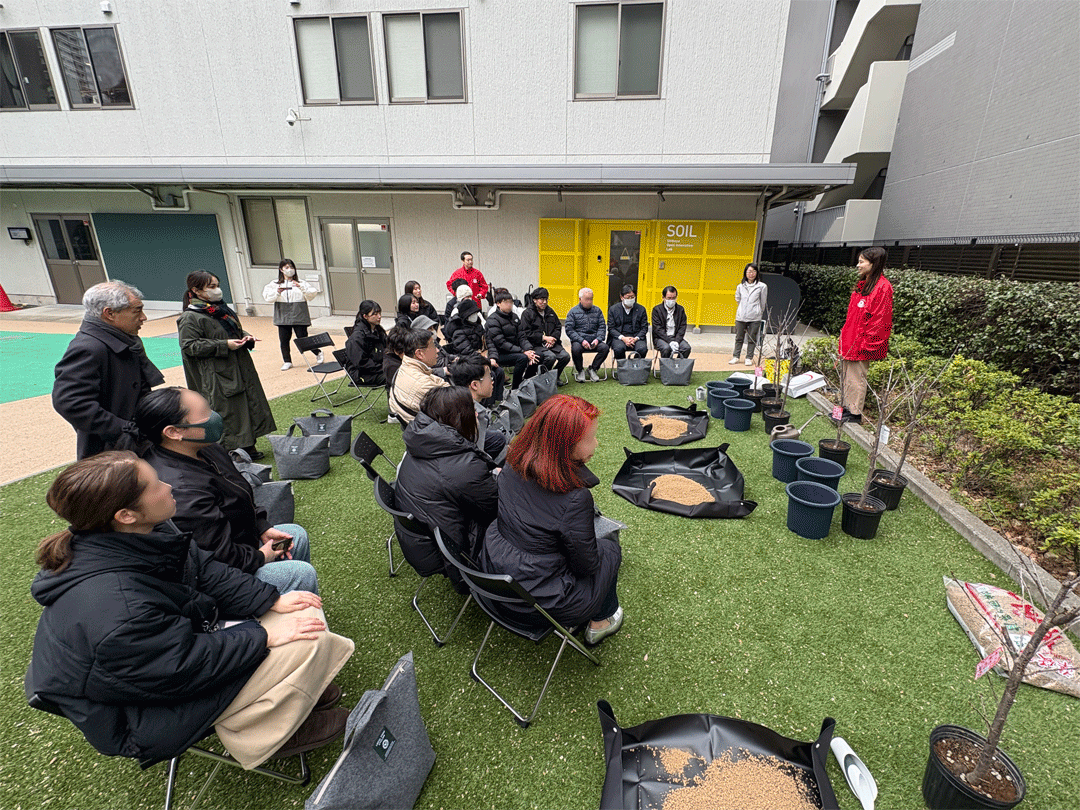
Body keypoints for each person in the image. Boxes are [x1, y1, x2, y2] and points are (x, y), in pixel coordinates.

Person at [26, 451, 354, 771]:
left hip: (171, 652)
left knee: (292, 612)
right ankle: (272, 735)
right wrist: (264, 634)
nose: (168, 486)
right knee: (305, 634)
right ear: (126, 514)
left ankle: (289, 693)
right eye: (155, 485)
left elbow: (203, 567)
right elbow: (183, 667)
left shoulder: (144, 530)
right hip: (144, 712)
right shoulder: (117, 606)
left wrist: (266, 601)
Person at [130, 386, 320, 595]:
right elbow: (219, 557)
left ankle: (300, 610)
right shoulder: (181, 489)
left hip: (239, 545)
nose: (214, 417)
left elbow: (239, 495)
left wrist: (262, 527)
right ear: (174, 432)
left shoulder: (204, 447)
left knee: (295, 535)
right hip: (218, 577)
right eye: (204, 414)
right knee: (300, 573)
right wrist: (262, 556)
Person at [482, 395, 623, 645]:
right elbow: (586, 567)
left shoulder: (513, 459)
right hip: (535, 602)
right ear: (564, 446)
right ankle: (601, 621)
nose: (597, 444)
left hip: (494, 576)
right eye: (590, 439)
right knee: (610, 550)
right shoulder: (575, 499)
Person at [395, 387, 499, 580]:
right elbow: (497, 508)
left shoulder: (423, 442)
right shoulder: (462, 467)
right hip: (458, 559)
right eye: (471, 409)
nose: (477, 413)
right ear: (459, 419)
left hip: (423, 545)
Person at [52, 280, 164, 459]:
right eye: (137, 311)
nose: (144, 317)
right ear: (110, 314)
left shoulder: (123, 339)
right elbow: (70, 402)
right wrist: (123, 429)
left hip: (134, 442)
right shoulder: (88, 347)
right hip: (111, 451)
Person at [178, 271, 275, 459]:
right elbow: (190, 346)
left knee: (247, 405)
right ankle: (232, 451)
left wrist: (244, 336)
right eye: (211, 287)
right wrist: (224, 345)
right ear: (196, 290)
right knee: (228, 411)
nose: (217, 290)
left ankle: (248, 445)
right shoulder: (191, 317)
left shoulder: (220, 310)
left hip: (238, 365)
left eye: (217, 285)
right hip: (217, 373)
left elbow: (230, 331)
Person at [838, 247, 894, 423]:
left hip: (861, 343)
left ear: (874, 263)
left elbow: (880, 321)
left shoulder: (883, 288)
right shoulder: (865, 284)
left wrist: (867, 344)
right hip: (851, 340)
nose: (858, 265)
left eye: (862, 261)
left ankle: (854, 413)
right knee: (848, 377)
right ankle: (847, 407)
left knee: (856, 378)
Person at [447, 352, 508, 461]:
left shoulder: (456, 400)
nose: (492, 381)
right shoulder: (471, 417)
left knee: (498, 437)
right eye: (489, 376)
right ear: (474, 385)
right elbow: (471, 460)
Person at [262, 259, 318, 371]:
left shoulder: (301, 282)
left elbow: (312, 294)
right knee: (284, 339)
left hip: (299, 312)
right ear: (281, 269)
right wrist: (277, 292)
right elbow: (268, 297)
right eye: (286, 267)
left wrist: (301, 287)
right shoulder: (274, 284)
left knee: (302, 338)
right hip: (283, 314)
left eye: (291, 267)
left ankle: (318, 353)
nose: (289, 269)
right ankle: (287, 361)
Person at [448, 298, 505, 402]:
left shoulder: (479, 327)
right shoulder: (458, 332)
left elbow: (490, 343)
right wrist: (487, 362)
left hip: (483, 358)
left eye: (476, 313)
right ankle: (486, 402)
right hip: (470, 362)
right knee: (490, 375)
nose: (475, 315)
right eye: (472, 313)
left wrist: (493, 357)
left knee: (499, 372)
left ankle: (497, 399)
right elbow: (467, 352)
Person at [389, 329, 450, 425]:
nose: (437, 350)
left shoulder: (406, 366)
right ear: (419, 354)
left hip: (418, 425)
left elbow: (437, 381)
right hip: (430, 432)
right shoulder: (422, 383)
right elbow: (454, 403)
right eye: (433, 346)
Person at [486, 290, 540, 390]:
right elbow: (501, 343)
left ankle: (527, 382)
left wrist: (529, 350)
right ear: (498, 304)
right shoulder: (492, 320)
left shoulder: (514, 317)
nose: (509, 305)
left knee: (536, 355)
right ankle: (516, 388)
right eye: (506, 302)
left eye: (511, 302)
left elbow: (522, 336)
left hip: (515, 350)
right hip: (499, 353)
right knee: (522, 358)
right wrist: (523, 351)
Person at [520, 287, 571, 380]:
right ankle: (543, 379)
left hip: (552, 344)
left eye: (546, 299)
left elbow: (558, 326)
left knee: (565, 357)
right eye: (541, 299)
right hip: (536, 345)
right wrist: (543, 338)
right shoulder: (527, 313)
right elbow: (526, 333)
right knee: (550, 357)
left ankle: (553, 377)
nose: (544, 302)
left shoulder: (550, 311)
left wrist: (553, 338)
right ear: (535, 300)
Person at [564, 287, 609, 383]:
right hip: (580, 341)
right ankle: (580, 370)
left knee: (605, 348)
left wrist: (598, 339)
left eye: (591, 299)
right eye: (587, 299)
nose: (589, 301)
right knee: (575, 348)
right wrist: (581, 340)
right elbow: (569, 330)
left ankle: (593, 369)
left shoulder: (597, 311)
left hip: (594, 340)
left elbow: (602, 327)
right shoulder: (573, 312)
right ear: (580, 299)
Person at [730, 263, 768, 366]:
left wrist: (758, 312)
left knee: (752, 338)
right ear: (745, 273)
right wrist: (743, 308)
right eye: (749, 271)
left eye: (753, 271)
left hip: (754, 317)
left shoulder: (762, 286)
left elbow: (762, 302)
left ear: (757, 273)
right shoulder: (740, 286)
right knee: (739, 337)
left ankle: (749, 357)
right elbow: (738, 299)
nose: (751, 274)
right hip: (741, 316)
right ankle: (736, 356)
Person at [344, 300, 387, 385]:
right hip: (362, 373)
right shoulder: (357, 337)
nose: (379, 317)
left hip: (378, 368)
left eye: (379, 313)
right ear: (365, 316)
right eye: (375, 314)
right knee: (396, 377)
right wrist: (384, 367)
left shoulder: (378, 330)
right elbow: (362, 363)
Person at [607, 285, 649, 361]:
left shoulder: (641, 309)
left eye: (632, 297)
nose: (630, 299)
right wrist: (623, 338)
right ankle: (623, 368)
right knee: (619, 349)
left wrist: (635, 339)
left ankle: (635, 366)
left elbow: (644, 328)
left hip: (636, 337)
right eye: (628, 297)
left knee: (642, 349)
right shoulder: (613, 309)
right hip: (619, 337)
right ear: (621, 297)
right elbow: (611, 328)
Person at [652, 286, 692, 359]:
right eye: (669, 298)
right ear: (663, 298)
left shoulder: (680, 309)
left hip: (676, 337)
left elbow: (682, 327)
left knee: (686, 348)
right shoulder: (657, 310)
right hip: (661, 338)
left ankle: (677, 367)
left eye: (673, 298)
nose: (671, 300)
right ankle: (666, 367)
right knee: (666, 348)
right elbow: (658, 329)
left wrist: (676, 341)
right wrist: (670, 341)